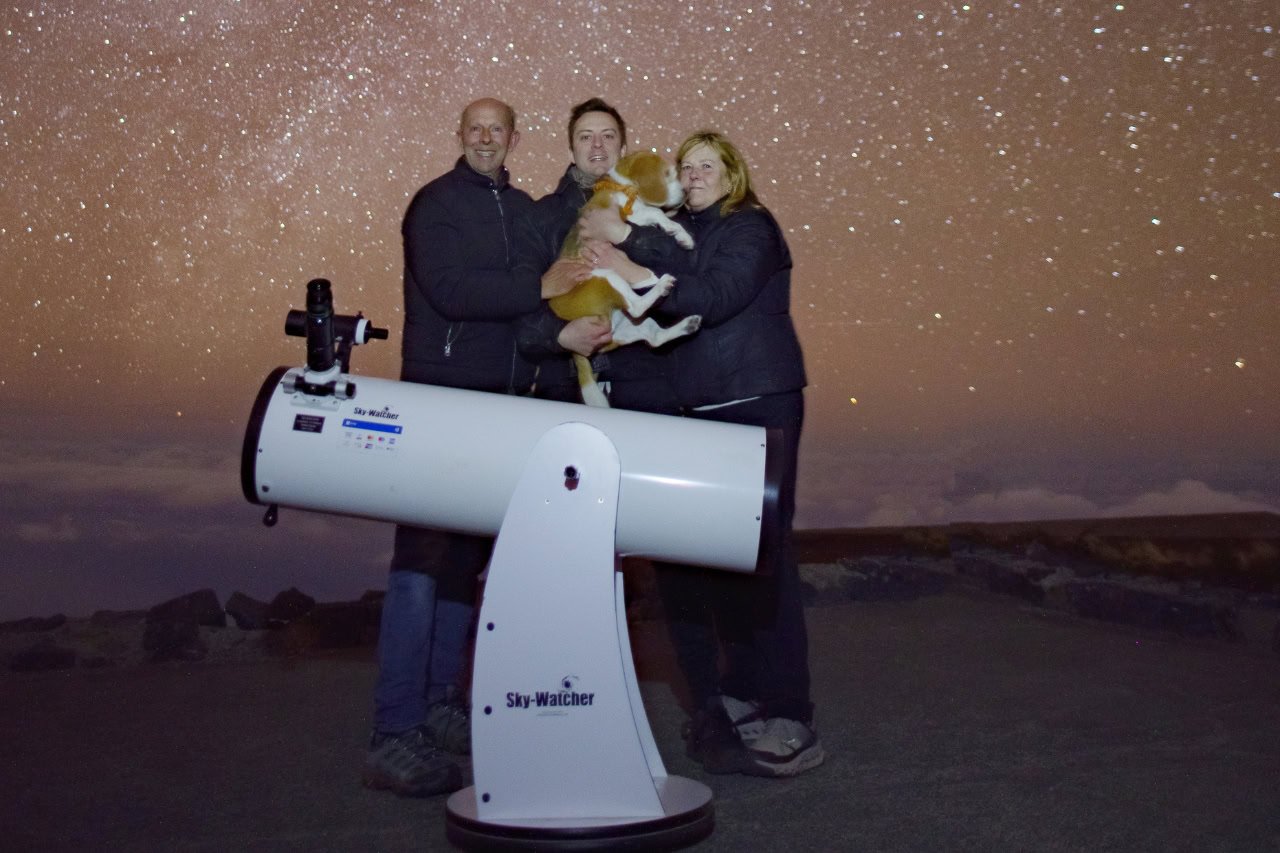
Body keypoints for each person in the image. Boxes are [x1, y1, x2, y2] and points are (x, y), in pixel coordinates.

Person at [578, 130, 823, 777]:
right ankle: (745, 690)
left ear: (733, 172)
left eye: (707, 166)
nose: (694, 176)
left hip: (757, 401)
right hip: (708, 414)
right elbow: (671, 256)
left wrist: (628, 261)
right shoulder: (693, 228)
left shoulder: (752, 228)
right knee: (727, 558)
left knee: (765, 557)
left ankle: (791, 711)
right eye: (687, 169)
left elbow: (711, 296)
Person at [364, 97, 568, 798]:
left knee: (464, 560)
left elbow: (537, 297)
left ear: (514, 137)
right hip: (441, 401)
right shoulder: (436, 204)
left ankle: (440, 704)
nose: (486, 138)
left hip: (502, 405)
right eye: (475, 128)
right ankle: (394, 727)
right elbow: (450, 291)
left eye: (498, 129)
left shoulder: (519, 209)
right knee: (421, 558)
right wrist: (538, 286)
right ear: (461, 135)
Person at [514, 97, 680, 416]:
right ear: (570, 151)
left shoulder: (659, 213)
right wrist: (559, 334)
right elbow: (519, 301)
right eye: (585, 136)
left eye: (608, 135)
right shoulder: (539, 216)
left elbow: (682, 280)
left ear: (623, 148)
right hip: (564, 386)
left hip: (645, 384)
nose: (597, 145)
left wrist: (627, 236)